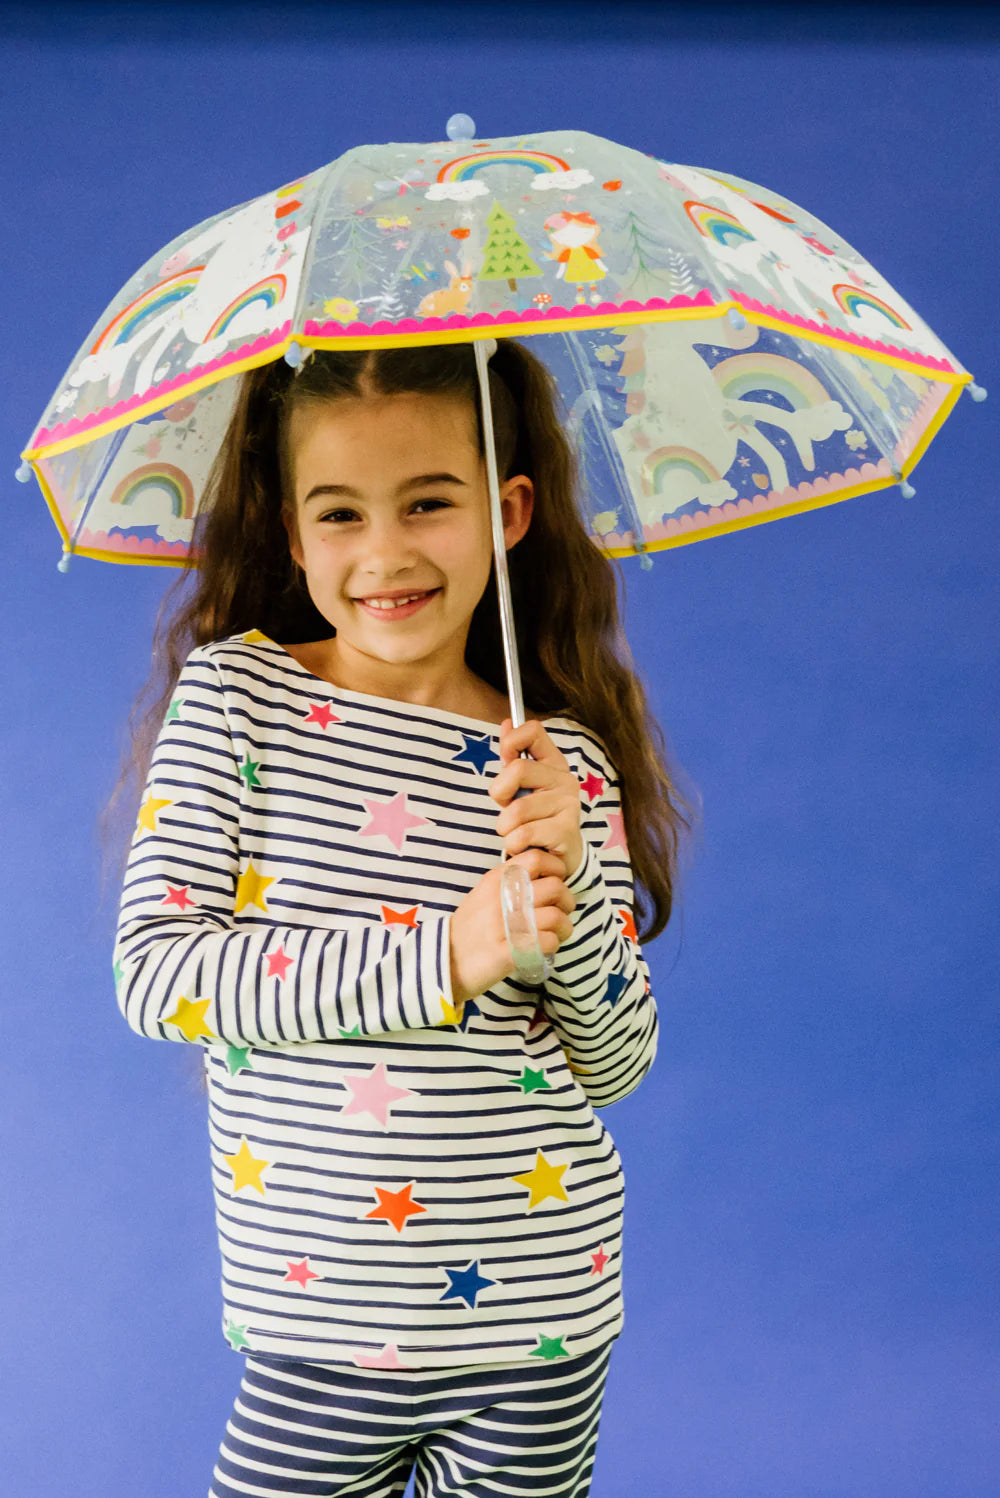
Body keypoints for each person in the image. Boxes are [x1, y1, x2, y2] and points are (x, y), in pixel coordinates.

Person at [111, 339, 696, 1498]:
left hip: (538, 1323)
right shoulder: (240, 698)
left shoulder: (560, 759)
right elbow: (158, 974)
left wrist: (569, 893)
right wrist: (452, 953)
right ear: (291, 534)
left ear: (509, 509)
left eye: (428, 503)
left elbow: (620, 1061)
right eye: (339, 515)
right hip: (316, 1323)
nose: (384, 552)